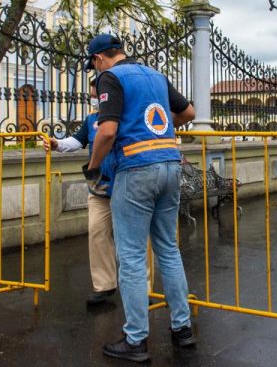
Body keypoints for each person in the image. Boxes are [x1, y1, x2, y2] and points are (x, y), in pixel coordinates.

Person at [84, 34, 196, 362]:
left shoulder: (110, 77)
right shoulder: (156, 76)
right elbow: (188, 112)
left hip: (135, 170)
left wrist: (93, 167)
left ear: (99, 58)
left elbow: (106, 131)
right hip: (169, 166)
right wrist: (159, 133)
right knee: (168, 249)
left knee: (131, 257)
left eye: (93, 62)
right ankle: (183, 328)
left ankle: (135, 340)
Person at [43, 79, 119, 306]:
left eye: (98, 91)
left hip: (125, 186)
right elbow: (77, 141)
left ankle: (143, 289)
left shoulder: (122, 115)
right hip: (99, 189)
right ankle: (104, 285)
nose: (95, 96)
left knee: (134, 241)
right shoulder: (91, 120)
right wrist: (57, 144)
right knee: (97, 234)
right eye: (94, 92)